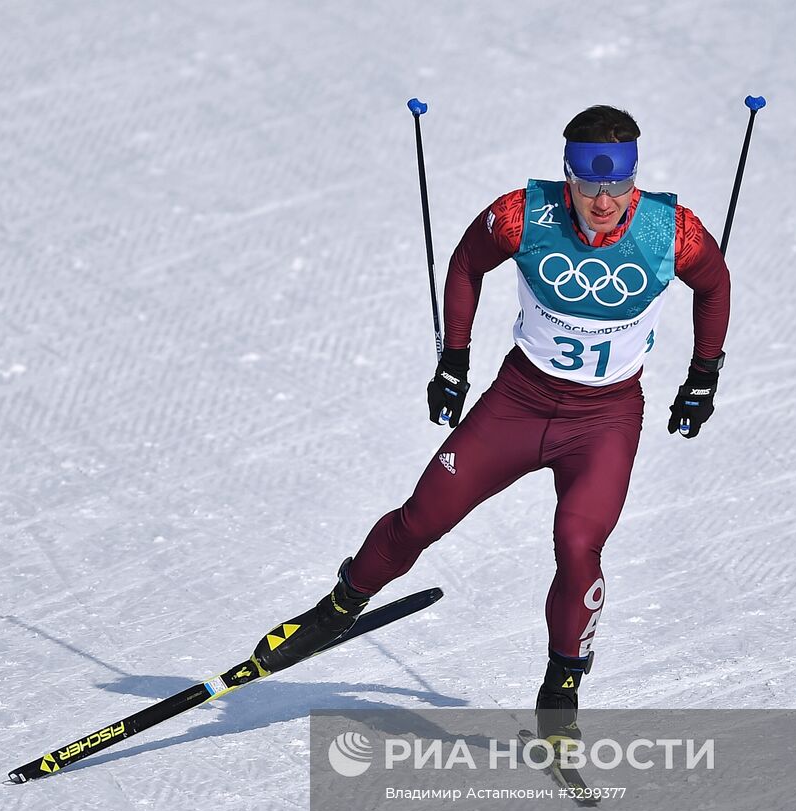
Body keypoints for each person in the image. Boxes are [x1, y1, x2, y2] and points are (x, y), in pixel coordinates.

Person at [253, 104, 730, 746]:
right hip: (518, 403)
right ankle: (336, 608)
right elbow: (464, 265)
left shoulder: (670, 231)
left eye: (616, 186)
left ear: (633, 179)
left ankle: (560, 694)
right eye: (588, 185)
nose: (602, 201)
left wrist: (704, 374)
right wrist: (454, 358)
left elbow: (715, 286)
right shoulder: (523, 215)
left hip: (606, 420)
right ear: (568, 176)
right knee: (423, 516)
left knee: (578, 545)